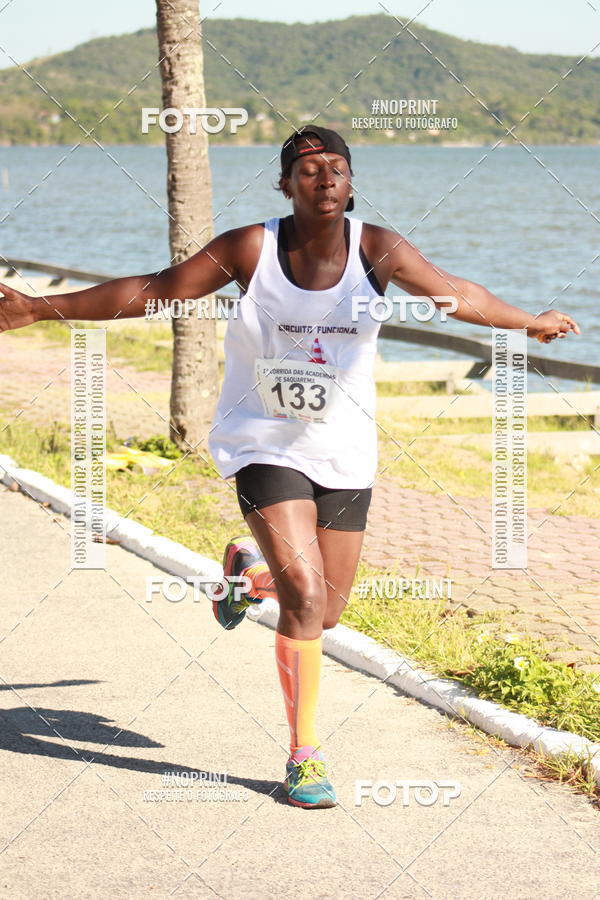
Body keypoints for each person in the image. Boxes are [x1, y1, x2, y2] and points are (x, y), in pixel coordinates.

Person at [0, 126, 580, 809]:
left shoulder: (378, 248)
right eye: (308, 168)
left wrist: (525, 322)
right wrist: (41, 308)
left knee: (327, 611)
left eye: (336, 167)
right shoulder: (250, 248)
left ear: (351, 183)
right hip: (262, 441)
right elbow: (157, 289)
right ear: (285, 185)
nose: (324, 177)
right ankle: (305, 756)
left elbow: (455, 294)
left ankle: (248, 573)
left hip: (344, 449)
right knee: (303, 597)